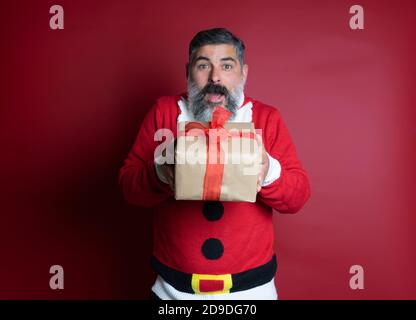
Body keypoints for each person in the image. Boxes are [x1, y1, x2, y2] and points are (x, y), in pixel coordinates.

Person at [119, 28, 311, 300]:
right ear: (188, 71)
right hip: (173, 291)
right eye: (203, 65)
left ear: (243, 73)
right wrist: (161, 171)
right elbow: (129, 186)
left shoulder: (266, 118)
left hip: (252, 292)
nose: (215, 77)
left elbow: (298, 196)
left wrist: (269, 171)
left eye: (226, 65)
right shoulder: (164, 112)